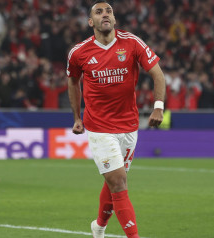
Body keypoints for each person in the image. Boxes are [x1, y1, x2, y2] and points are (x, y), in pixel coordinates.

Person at [66, 1, 165, 238]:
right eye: (98, 12)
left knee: (114, 183)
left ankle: (98, 227)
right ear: (91, 22)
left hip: (129, 125)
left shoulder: (132, 43)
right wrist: (77, 117)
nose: (105, 15)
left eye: (108, 11)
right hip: (99, 127)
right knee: (119, 182)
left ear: (114, 18)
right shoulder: (79, 52)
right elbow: (72, 82)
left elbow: (158, 74)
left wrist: (158, 107)